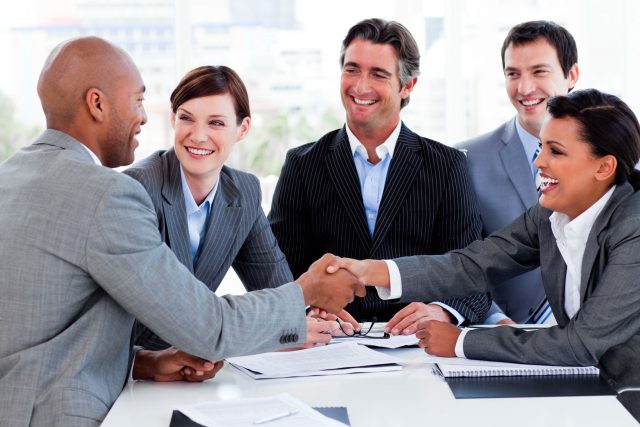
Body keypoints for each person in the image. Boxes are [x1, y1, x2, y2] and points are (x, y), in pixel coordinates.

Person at [0, 36, 364, 426]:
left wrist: (149, 363)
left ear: (242, 129)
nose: (143, 117)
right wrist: (306, 290)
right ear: (97, 104)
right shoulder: (110, 193)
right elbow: (207, 327)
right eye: (138, 100)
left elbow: (53, 331)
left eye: (217, 122)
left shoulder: (11, 176)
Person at [331, 89, 640, 387]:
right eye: (542, 146)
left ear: (604, 167)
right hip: (593, 389)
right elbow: (474, 264)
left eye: (555, 151)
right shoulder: (549, 215)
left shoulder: (634, 227)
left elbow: (580, 344)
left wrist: (462, 341)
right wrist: (373, 271)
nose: (538, 162)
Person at [269, 18, 490, 335]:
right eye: (352, 69)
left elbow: (471, 274)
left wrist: (440, 312)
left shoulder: (447, 166)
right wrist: (307, 312)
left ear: (407, 85)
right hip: (329, 343)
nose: (360, 86)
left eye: (378, 74)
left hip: (415, 344)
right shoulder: (302, 164)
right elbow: (278, 271)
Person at [125, 65, 338, 353]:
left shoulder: (243, 192)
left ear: (243, 129)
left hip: (196, 367)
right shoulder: (136, 189)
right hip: (135, 369)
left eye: (216, 123)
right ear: (173, 119)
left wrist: (309, 317)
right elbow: (164, 316)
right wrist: (282, 320)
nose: (198, 136)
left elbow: (275, 290)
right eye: (187, 118)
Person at [458, 21, 579, 324]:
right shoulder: (464, 161)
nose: (524, 88)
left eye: (539, 72)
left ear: (571, 75)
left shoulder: (625, 161)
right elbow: (458, 264)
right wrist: (497, 324)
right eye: (513, 74)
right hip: (507, 344)